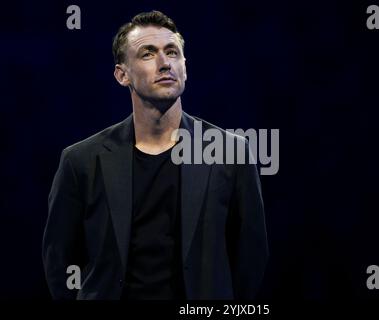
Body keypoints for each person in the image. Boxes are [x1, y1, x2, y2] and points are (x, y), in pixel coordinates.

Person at [42, 10, 268, 300]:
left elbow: (250, 257)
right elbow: (59, 259)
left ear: (185, 67)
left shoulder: (231, 152)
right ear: (122, 75)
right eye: (148, 54)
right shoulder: (80, 160)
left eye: (172, 52)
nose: (165, 64)